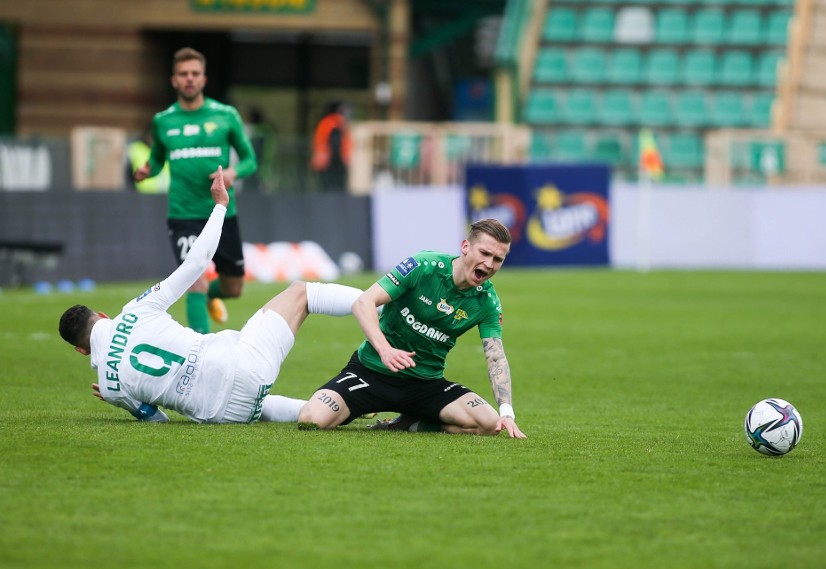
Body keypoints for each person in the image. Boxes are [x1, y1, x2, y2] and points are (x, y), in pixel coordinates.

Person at [58, 167, 364, 424]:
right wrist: (219, 206)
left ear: (82, 351)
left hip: (225, 414)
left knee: (256, 401)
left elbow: (156, 420)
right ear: (102, 315)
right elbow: (197, 263)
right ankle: (375, 306)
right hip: (242, 365)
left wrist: (119, 397)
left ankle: (326, 411)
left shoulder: (110, 387)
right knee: (301, 292)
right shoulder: (135, 311)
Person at [297, 219, 527, 438]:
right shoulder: (423, 266)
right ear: (465, 246)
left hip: (425, 385)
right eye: (485, 253)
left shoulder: (487, 301)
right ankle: (360, 407)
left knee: (489, 424)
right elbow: (363, 302)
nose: (489, 264)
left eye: (498, 259)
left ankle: (409, 424)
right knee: (312, 419)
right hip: (371, 373)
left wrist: (507, 413)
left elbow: (495, 357)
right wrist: (385, 349)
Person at [134, 47, 257, 334]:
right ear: (174, 80)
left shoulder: (226, 115)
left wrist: (231, 173)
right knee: (195, 280)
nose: (189, 79)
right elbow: (157, 158)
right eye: (183, 74)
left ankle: (211, 297)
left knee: (234, 286)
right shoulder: (163, 120)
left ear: (204, 79)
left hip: (222, 211)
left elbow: (251, 160)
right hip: (183, 214)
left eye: (195, 73)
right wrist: (147, 170)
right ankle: (200, 351)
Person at [311, 101, 351, 192]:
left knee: (326, 187)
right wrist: (342, 160)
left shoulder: (326, 122)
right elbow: (335, 144)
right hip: (330, 162)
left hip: (324, 161)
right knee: (333, 187)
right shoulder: (334, 123)